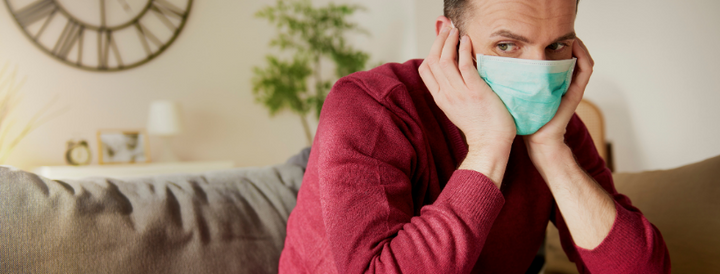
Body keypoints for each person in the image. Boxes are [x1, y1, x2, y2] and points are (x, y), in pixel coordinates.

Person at [279, 0, 671, 273]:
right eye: (506, 45)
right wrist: (488, 148)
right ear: (448, 38)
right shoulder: (369, 107)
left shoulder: (553, 123)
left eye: (556, 45)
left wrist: (551, 151)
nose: (538, 75)